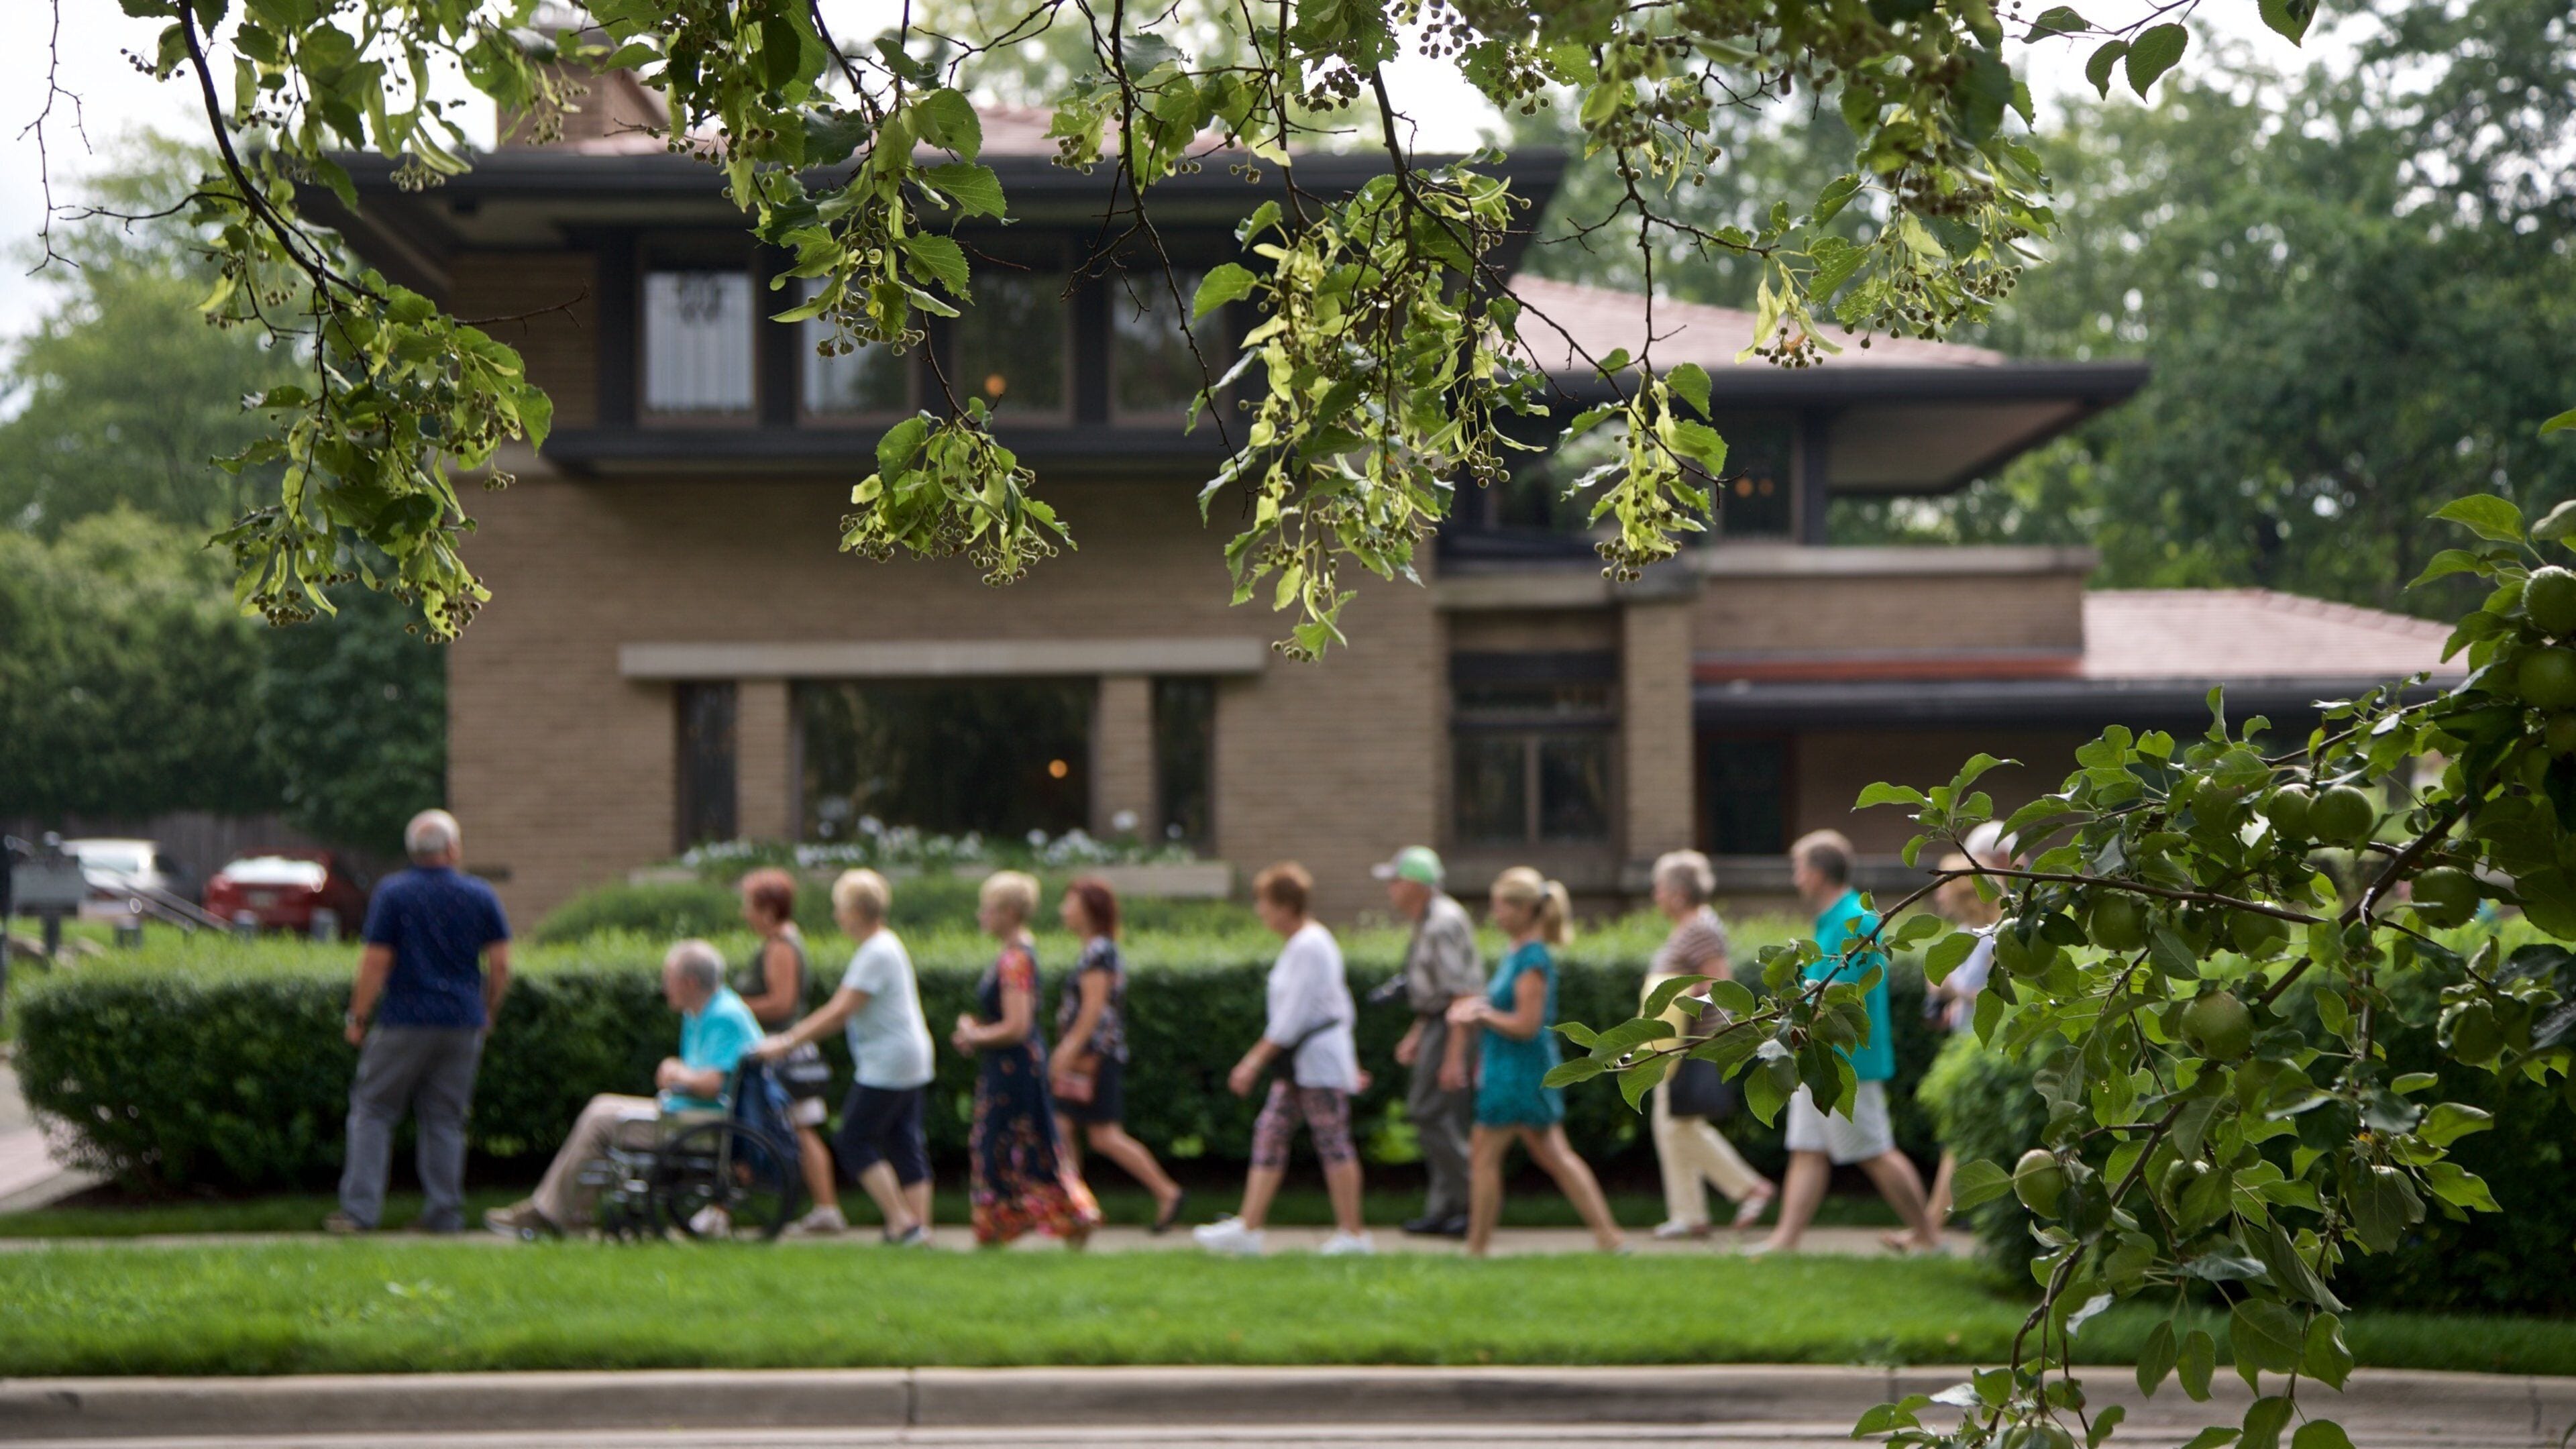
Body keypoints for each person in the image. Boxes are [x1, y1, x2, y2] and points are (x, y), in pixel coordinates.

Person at [483, 940, 760, 1236]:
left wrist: (679, 1073)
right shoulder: (705, 1011)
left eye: (668, 979)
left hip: (700, 1123)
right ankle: (565, 1212)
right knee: (601, 1108)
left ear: (690, 982)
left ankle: (554, 1213)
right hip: (688, 1115)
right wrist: (678, 1070)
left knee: (601, 1120)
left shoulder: (722, 1016)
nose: (664, 987)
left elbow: (713, 1084)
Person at [1756, 830, 1943, 1255]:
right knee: (1806, 1148)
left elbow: (1838, 992)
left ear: (1818, 873)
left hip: (1847, 1062)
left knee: (1874, 1150)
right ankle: (1785, 1241)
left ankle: (1929, 1238)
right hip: (1817, 1056)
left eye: (1798, 868)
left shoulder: (1855, 918)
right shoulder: (1834, 917)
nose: (1795, 878)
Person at [329, 809, 511, 1235]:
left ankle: (360, 1212)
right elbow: (500, 964)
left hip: (404, 1019)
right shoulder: (480, 894)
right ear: (453, 848)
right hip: (462, 1021)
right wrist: (488, 1010)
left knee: (373, 1110)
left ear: (413, 851)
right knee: (445, 1119)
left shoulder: (394, 893)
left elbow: (376, 961)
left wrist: (358, 1016)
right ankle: (444, 1214)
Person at [749, 869, 936, 1245]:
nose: (837, 916)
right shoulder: (887, 944)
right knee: (903, 1140)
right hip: (910, 1058)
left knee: (853, 1140)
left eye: (839, 908)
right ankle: (919, 1230)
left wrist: (786, 1041)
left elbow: (839, 1012)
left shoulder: (875, 953)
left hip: (889, 1062)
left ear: (855, 911)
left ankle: (903, 1223)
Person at [1195, 862, 1372, 1256]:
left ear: (1286, 906)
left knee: (1332, 1140)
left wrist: (1253, 1061)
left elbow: (1293, 1018)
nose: (1260, 910)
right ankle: (1249, 1228)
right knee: (1271, 1132)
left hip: (1317, 1063)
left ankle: (1354, 1234)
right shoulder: (1304, 944)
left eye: (1265, 902)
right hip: (1303, 1064)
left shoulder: (1310, 945)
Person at [1446, 867, 1625, 1256]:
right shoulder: (1519, 953)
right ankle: (1609, 1238)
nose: (1495, 915)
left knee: (1485, 1156)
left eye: (1501, 907)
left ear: (1525, 909)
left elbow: (1527, 1025)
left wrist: (1481, 1014)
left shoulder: (1531, 958)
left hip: (1516, 1072)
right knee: (1554, 1155)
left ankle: (1476, 1249)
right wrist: (1482, 1008)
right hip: (1515, 1067)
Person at [951, 870, 1101, 1246]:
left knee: (1004, 1145)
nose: (982, 916)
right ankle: (1047, 1221)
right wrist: (979, 1029)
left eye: (988, 909)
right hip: (1013, 1065)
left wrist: (973, 1035)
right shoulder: (1016, 954)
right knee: (1026, 1145)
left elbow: (1018, 1026)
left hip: (1013, 1069)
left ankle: (1049, 1220)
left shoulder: (1015, 959)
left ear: (1010, 913)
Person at [1642, 849, 1777, 1239]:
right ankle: (1689, 1215)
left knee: (1678, 1126)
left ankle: (1749, 1188)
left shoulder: (1700, 929)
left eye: (1660, 888)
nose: (1655, 895)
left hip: (1693, 1042)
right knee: (1671, 1126)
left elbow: (1720, 986)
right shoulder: (1693, 926)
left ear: (1679, 893)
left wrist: (1681, 1003)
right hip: (1678, 1041)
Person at [1050, 876, 1188, 1233]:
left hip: (1092, 1060)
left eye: (1070, 903)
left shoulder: (1099, 953)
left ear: (1089, 910)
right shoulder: (1097, 950)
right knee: (1067, 1127)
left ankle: (1163, 1193)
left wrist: (1067, 1049)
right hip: (1091, 1058)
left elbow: (1093, 1008)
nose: (1063, 910)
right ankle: (1075, 1206)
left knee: (1101, 1135)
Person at [1375, 845, 1482, 1238]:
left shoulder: (1442, 923)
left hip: (1453, 1025)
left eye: (1396, 881)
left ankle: (1474, 1202)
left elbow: (1461, 994)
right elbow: (1434, 991)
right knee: (1441, 1117)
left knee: (1428, 1111)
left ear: (1417, 885)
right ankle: (1445, 1209)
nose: (1390, 889)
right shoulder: (1428, 920)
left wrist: (1453, 1057)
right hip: (1439, 1022)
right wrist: (1417, 1034)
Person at [733, 868, 842, 1236]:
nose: (745, 914)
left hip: (784, 1052)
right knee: (801, 1127)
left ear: (768, 910)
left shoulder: (780, 947)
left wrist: (735, 1006)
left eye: (749, 906)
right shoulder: (781, 942)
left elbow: (782, 1003)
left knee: (801, 1127)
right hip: (782, 1050)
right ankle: (825, 1208)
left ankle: (827, 1209)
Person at [1916, 852, 2002, 1234]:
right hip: (1965, 1046)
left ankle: (1928, 1229)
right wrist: (1947, 1001)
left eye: (1943, 887)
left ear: (1963, 890)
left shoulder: (1996, 937)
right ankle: (1931, 1227)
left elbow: (2000, 998)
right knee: (1960, 1140)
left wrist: (1952, 990)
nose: (1938, 895)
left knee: (1957, 1139)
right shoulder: (1965, 936)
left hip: (1984, 1053)